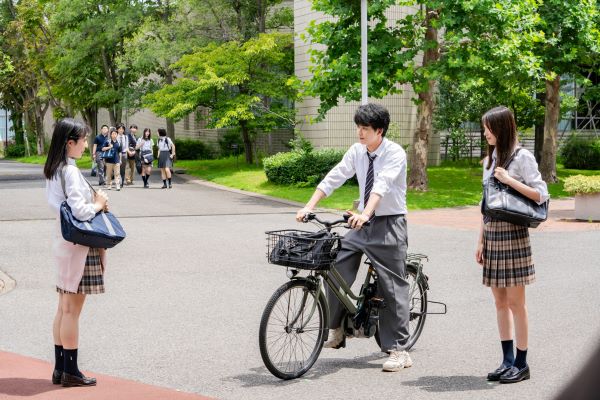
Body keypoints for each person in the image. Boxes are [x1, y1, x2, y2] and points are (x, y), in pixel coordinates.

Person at [296, 103, 412, 372]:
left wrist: (366, 213)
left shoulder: (394, 153)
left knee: (392, 286)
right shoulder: (357, 151)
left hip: (389, 223)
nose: (360, 133)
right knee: (335, 266)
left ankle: (399, 350)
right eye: (358, 127)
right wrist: (309, 206)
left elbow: (381, 185)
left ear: (379, 131)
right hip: (362, 223)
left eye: (365, 129)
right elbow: (334, 176)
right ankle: (336, 329)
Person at [475, 106, 549, 384]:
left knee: (517, 303)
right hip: (493, 235)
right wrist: (480, 240)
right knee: (499, 302)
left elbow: (541, 195)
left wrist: (509, 181)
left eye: (489, 128)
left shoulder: (522, 157)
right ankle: (506, 361)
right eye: (484, 128)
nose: (486, 133)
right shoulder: (488, 161)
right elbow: (484, 206)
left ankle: (522, 362)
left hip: (515, 235)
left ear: (502, 128)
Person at [43, 118, 109, 387]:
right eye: (82, 140)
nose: (85, 144)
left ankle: (61, 369)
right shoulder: (69, 171)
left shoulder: (54, 170)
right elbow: (80, 211)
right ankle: (71, 371)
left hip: (64, 243)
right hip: (79, 247)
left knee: (63, 308)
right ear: (69, 142)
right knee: (71, 311)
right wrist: (99, 204)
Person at [116, 123, 128, 189]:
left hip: (124, 154)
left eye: (122, 129)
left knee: (122, 169)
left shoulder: (125, 137)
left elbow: (126, 146)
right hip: (116, 154)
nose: (121, 130)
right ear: (117, 129)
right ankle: (118, 182)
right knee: (117, 168)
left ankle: (122, 181)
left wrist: (126, 151)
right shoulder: (115, 136)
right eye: (119, 129)